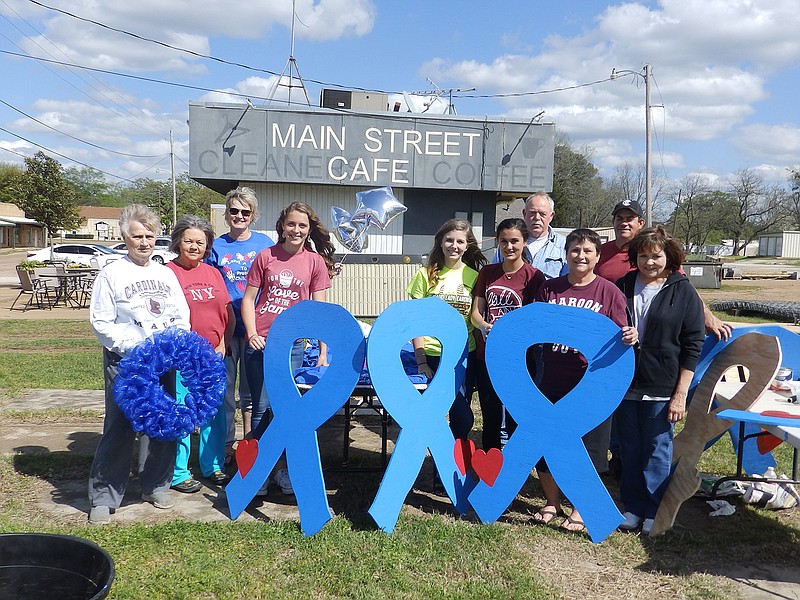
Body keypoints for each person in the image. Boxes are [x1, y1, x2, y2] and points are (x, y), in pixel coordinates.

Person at [87, 204, 191, 524]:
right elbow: (101, 322)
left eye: (149, 236)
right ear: (124, 236)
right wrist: (136, 344)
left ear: (156, 237)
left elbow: (180, 316)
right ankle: (104, 496)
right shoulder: (112, 274)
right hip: (126, 363)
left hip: (161, 363)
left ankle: (155, 485)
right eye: (137, 236)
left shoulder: (165, 274)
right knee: (119, 429)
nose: (144, 242)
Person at [532, 228, 638, 533]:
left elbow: (621, 332)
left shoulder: (609, 292)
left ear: (597, 256)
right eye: (575, 250)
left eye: (587, 251)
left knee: (590, 448)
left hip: (592, 383)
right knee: (544, 442)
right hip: (552, 377)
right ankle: (551, 501)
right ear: (566, 254)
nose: (580, 256)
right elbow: (536, 326)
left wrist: (630, 335)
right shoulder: (550, 289)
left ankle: (580, 508)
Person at [615, 226, 705, 535]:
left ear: (669, 257)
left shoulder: (683, 290)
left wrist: (680, 393)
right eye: (642, 256)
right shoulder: (623, 284)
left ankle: (655, 510)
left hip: (662, 384)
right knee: (629, 448)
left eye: (656, 256)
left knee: (656, 449)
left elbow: (693, 344)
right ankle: (632, 508)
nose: (649, 262)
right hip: (625, 381)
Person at [241, 202, 336, 495]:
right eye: (291, 224)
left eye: (302, 226)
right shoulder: (265, 256)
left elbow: (318, 310)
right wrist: (252, 333)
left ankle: (283, 470)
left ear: (309, 230)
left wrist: (322, 350)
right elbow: (248, 300)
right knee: (259, 409)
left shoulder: (314, 262)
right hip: (260, 344)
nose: (296, 230)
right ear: (282, 225)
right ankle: (256, 475)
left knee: (284, 410)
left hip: (293, 347)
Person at [597, 200, 731, 342]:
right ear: (613, 221)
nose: (624, 223)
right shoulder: (599, 252)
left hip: (655, 330)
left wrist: (708, 317)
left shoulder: (658, 253)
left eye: (629, 219)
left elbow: (684, 289)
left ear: (641, 223)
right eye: (619, 218)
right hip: (611, 329)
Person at [166, 215, 235, 493]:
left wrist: (223, 344)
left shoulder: (213, 272)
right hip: (182, 357)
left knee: (213, 413)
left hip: (214, 356)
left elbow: (227, 311)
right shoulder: (167, 272)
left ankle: (213, 465)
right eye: (189, 241)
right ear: (178, 242)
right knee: (182, 413)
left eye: (200, 242)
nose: (194, 246)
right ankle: (179, 471)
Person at [207, 187, 274, 453]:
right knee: (224, 391)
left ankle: (250, 446)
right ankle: (224, 445)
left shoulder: (264, 244)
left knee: (253, 393)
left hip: (256, 328)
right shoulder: (216, 246)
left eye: (245, 212)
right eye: (233, 211)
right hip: (226, 327)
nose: (239, 216)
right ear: (227, 214)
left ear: (253, 215)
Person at [408, 218, 487, 441]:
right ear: (440, 243)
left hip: (463, 356)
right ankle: (439, 464)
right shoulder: (424, 275)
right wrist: (421, 360)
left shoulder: (475, 277)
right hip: (432, 356)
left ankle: (449, 467)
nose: (454, 245)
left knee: (462, 417)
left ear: (467, 245)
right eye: (449, 240)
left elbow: (476, 316)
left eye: (460, 241)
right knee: (434, 412)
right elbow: (415, 322)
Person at [471, 218, 545, 450]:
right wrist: (484, 326)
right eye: (504, 241)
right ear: (497, 242)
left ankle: (514, 468)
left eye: (515, 241)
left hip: (520, 360)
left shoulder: (534, 276)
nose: (509, 247)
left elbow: (535, 320)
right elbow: (475, 312)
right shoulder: (488, 272)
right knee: (491, 417)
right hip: (488, 356)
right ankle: (490, 471)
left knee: (516, 418)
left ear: (524, 243)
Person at [492, 192, 568, 280]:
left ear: (551, 216)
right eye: (532, 213)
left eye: (542, 214)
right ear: (524, 213)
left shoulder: (564, 245)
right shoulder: (508, 243)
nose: (537, 217)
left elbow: (567, 284)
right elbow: (495, 276)